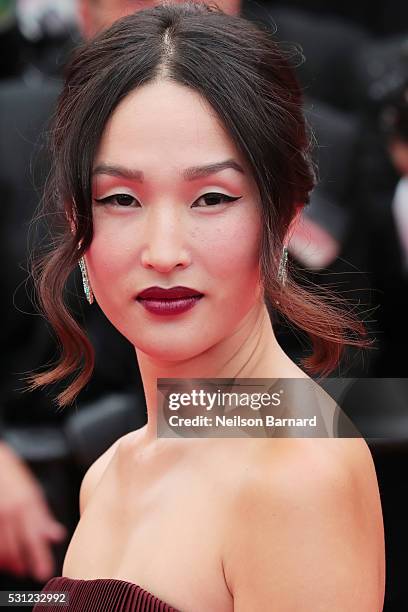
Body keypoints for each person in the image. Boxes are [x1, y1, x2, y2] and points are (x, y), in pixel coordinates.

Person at [29, 2, 385, 610]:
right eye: (120, 199)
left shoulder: (298, 474)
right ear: (75, 220)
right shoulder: (110, 472)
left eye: (212, 197)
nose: (164, 251)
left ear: (284, 218)